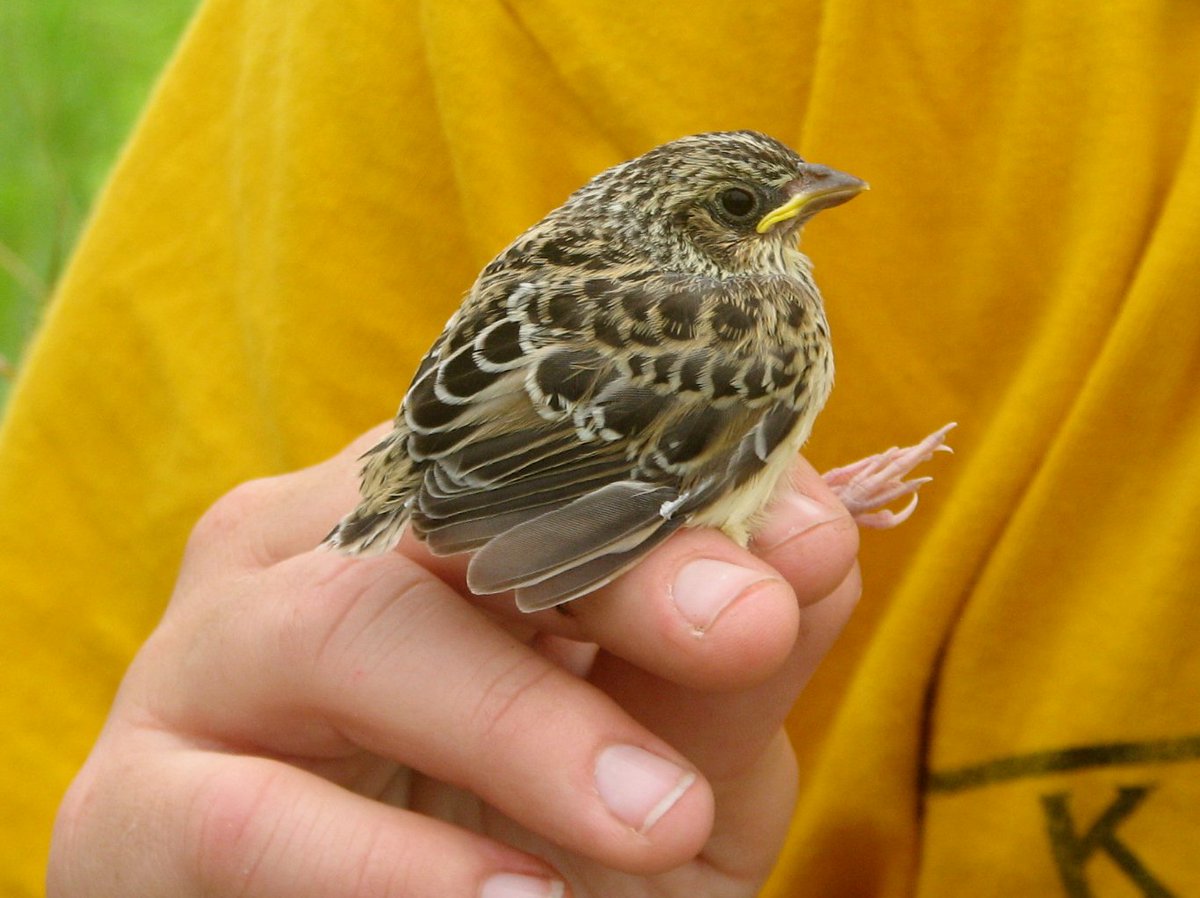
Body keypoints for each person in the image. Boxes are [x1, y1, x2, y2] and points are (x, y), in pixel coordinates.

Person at [2, 1, 1198, 895]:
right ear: (695, 226)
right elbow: (656, 474)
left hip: (444, 438)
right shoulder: (755, 320)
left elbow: (490, 391)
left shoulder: (596, 261)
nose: (799, 208)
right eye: (747, 205)